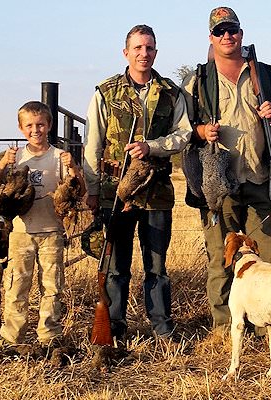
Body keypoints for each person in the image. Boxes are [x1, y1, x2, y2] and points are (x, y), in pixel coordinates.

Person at [83, 25, 191, 342]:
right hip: (114, 193)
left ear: (156, 52)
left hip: (156, 193)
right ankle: (114, 328)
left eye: (150, 48)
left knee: (156, 266)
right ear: (126, 52)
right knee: (116, 267)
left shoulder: (172, 92)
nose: (144, 53)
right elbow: (92, 143)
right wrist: (91, 189)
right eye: (138, 48)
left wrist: (151, 147)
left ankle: (162, 327)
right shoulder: (106, 91)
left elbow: (183, 135)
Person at [182, 6, 271, 331]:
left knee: (266, 259)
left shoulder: (264, 73)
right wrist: (201, 132)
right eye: (220, 31)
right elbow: (181, 129)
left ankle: (267, 326)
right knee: (221, 259)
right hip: (219, 185)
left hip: (259, 178)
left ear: (241, 33)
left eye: (232, 30)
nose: (227, 36)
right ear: (211, 37)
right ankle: (226, 328)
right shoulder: (197, 79)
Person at [0, 101, 76, 364]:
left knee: (52, 286)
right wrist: (2, 164)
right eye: (30, 126)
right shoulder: (15, 158)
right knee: (16, 286)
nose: (35, 130)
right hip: (21, 232)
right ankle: (12, 339)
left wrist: (74, 169)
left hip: (51, 231)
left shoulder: (59, 156)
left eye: (41, 125)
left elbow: (76, 190)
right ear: (21, 128)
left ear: (49, 126)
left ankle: (49, 336)